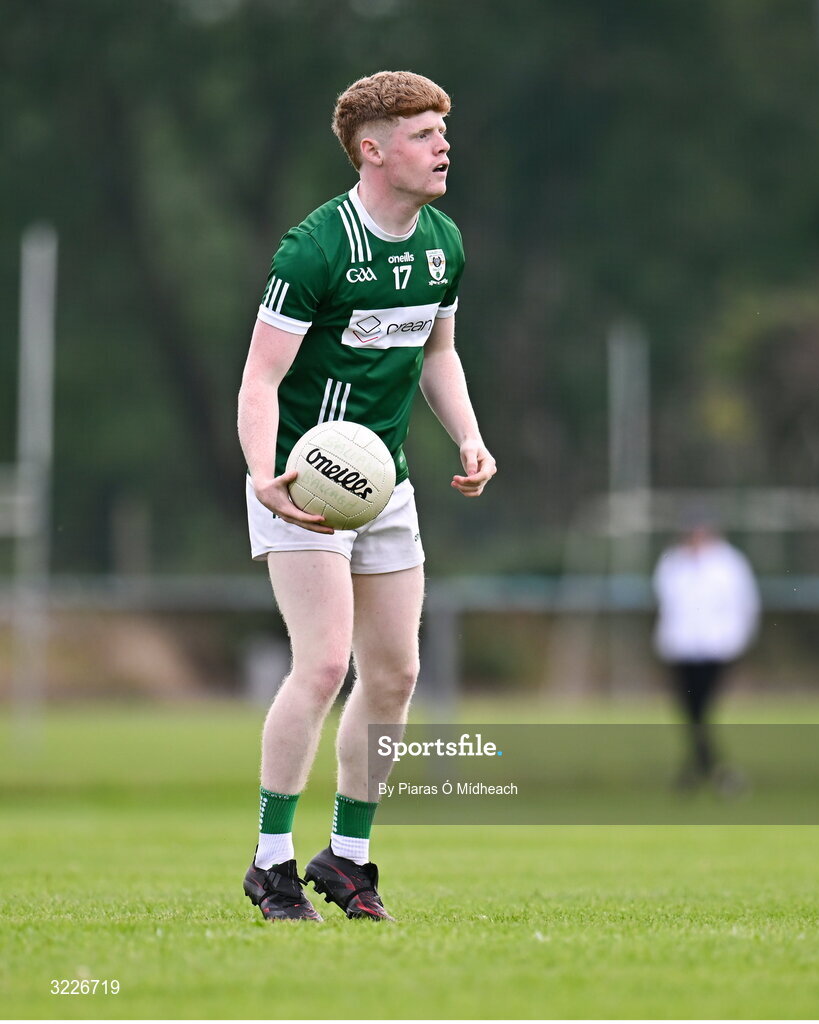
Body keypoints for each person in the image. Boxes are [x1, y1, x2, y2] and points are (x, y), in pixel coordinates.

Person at [237, 71, 496, 921]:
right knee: (319, 664)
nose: (442, 146)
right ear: (372, 150)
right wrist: (261, 477)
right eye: (424, 135)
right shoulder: (314, 248)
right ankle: (271, 861)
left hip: (385, 482)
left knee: (394, 674)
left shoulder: (443, 242)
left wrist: (468, 434)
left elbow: (437, 353)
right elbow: (259, 379)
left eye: (442, 133)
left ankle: (346, 858)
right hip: (303, 484)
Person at [652, 518, 760, 790]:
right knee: (692, 711)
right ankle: (711, 771)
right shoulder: (672, 562)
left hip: (717, 648)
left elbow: (746, 604)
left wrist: (737, 640)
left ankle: (700, 772)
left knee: (700, 709)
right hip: (682, 648)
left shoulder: (730, 563)